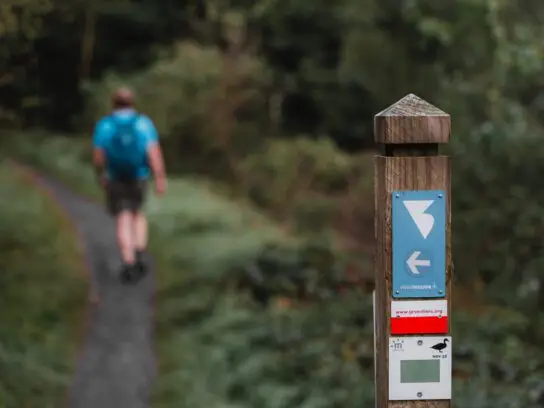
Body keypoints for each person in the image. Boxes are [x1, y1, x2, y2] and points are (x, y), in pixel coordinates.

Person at [91, 87, 167, 283]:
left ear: (113, 103)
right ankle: (139, 251)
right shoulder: (143, 123)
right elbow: (153, 153)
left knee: (123, 218)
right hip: (138, 177)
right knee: (138, 214)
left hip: (115, 177)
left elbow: (98, 157)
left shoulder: (105, 125)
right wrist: (159, 177)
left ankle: (128, 262)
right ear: (133, 102)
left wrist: (101, 174)